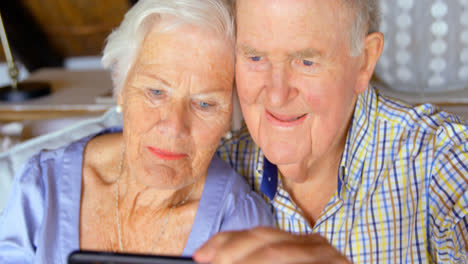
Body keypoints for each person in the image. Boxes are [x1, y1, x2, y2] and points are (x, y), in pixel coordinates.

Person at [193, 0, 468, 263]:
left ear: (364, 62)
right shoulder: (213, 166)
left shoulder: (441, 160)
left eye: (306, 62)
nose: (277, 96)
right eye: (255, 57)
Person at [0, 0, 274, 262]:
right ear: (120, 87)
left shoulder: (238, 222)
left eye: (204, 104)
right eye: (155, 92)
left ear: (232, 116)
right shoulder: (42, 186)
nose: (173, 127)